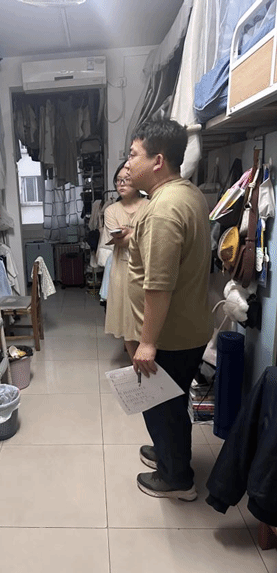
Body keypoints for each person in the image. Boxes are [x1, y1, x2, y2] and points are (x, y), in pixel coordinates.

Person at [125, 119, 212, 501]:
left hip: (170, 337)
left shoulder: (163, 209)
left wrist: (147, 343)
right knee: (171, 404)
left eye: (133, 155)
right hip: (189, 327)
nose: (128, 163)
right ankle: (167, 452)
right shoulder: (188, 193)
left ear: (157, 160)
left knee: (162, 407)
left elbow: (159, 285)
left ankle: (177, 478)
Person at [104, 162, 147, 359]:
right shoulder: (111, 210)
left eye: (126, 180)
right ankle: (135, 364)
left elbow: (153, 237)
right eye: (118, 180)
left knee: (147, 317)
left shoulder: (150, 206)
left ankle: (148, 359)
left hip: (147, 269)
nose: (121, 184)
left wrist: (129, 233)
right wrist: (139, 233)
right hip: (121, 270)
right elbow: (119, 241)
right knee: (126, 320)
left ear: (137, 181)